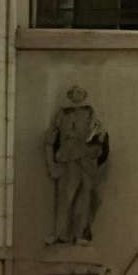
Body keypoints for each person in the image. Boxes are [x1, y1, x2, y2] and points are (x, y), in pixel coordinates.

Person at [47, 85, 109, 245]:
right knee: (66, 196)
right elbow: (51, 138)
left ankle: (80, 233)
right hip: (68, 159)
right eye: (74, 92)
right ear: (70, 95)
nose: (77, 95)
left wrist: (95, 146)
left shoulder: (90, 112)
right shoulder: (62, 113)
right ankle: (61, 234)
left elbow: (99, 135)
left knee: (85, 197)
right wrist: (51, 163)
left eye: (80, 92)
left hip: (86, 159)